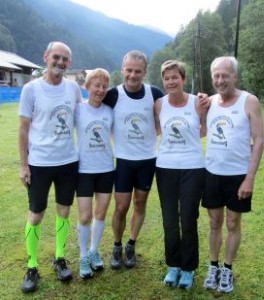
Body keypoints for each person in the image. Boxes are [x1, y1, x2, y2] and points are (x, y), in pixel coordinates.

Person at [18, 41, 82, 293]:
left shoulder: (74, 89)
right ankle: (32, 266)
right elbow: (23, 130)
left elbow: (84, 117)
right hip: (39, 163)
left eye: (65, 59)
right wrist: (24, 165)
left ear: (69, 64)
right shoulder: (31, 89)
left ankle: (59, 257)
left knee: (64, 211)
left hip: (68, 162)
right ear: (46, 57)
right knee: (36, 213)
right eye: (56, 57)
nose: (61, 62)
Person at [202, 56, 264, 293]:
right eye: (216, 76)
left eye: (225, 75)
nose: (220, 80)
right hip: (212, 173)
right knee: (215, 222)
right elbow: (200, 129)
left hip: (238, 175)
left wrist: (250, 178)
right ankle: (213, 266)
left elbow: (258, 142)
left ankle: (227, 269)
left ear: (234, 76)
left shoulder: (250, 101)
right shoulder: (209, 102)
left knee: (232, 222)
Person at [102, 50, 164, 269]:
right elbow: (91, 107)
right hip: (124, 161)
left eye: (138, 71)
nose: (133, 75)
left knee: (140, 203)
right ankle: (117, 245)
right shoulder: (113, 94)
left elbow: (170, 112)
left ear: (145, 72)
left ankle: (131, 245)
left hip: (147, 160)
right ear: (122, 70)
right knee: (121, 207)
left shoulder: (154, 93)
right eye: (129, 70)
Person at [154, 60, 207, 289]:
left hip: (193, 168)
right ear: (163, 81)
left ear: (183, 79)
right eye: (166, 78)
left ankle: (188, 269)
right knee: (169, 221)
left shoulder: (198, 102)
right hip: (165, 168)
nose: (171, 81)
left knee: (188, 219)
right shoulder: (158, 104)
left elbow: (205, 128)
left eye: (175, 77)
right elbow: (156, 129)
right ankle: (173, 265)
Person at [75, 68, 114, 279]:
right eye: (96, 85)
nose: (100, 90)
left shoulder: (110, 111)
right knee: (84, 215)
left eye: (104, 86)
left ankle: (93, 251)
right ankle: (83, 256)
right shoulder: (77, 109)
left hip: (106, 169)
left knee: (100, 214)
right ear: (87, 86)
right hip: (83, 170)